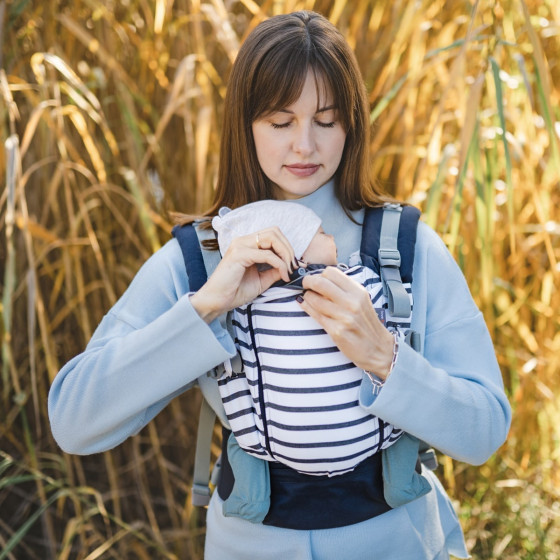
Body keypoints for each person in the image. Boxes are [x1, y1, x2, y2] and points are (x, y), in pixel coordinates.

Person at [48, 10, 511, 560]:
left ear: (352, 124)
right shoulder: (199, 260)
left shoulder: (404, 247)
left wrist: (387, 358)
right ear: (245, 123)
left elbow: (484, 433)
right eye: (279, 121)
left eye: (326, 119)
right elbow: (73, 422)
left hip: (402, 542)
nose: (304, 147)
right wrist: (205, 308)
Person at [212, 199, 404, 477]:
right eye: (322, 233)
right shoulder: (356, 280)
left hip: (266, 444)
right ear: (295, 254)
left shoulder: (247, 307)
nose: (333, 237)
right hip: (375, 439)